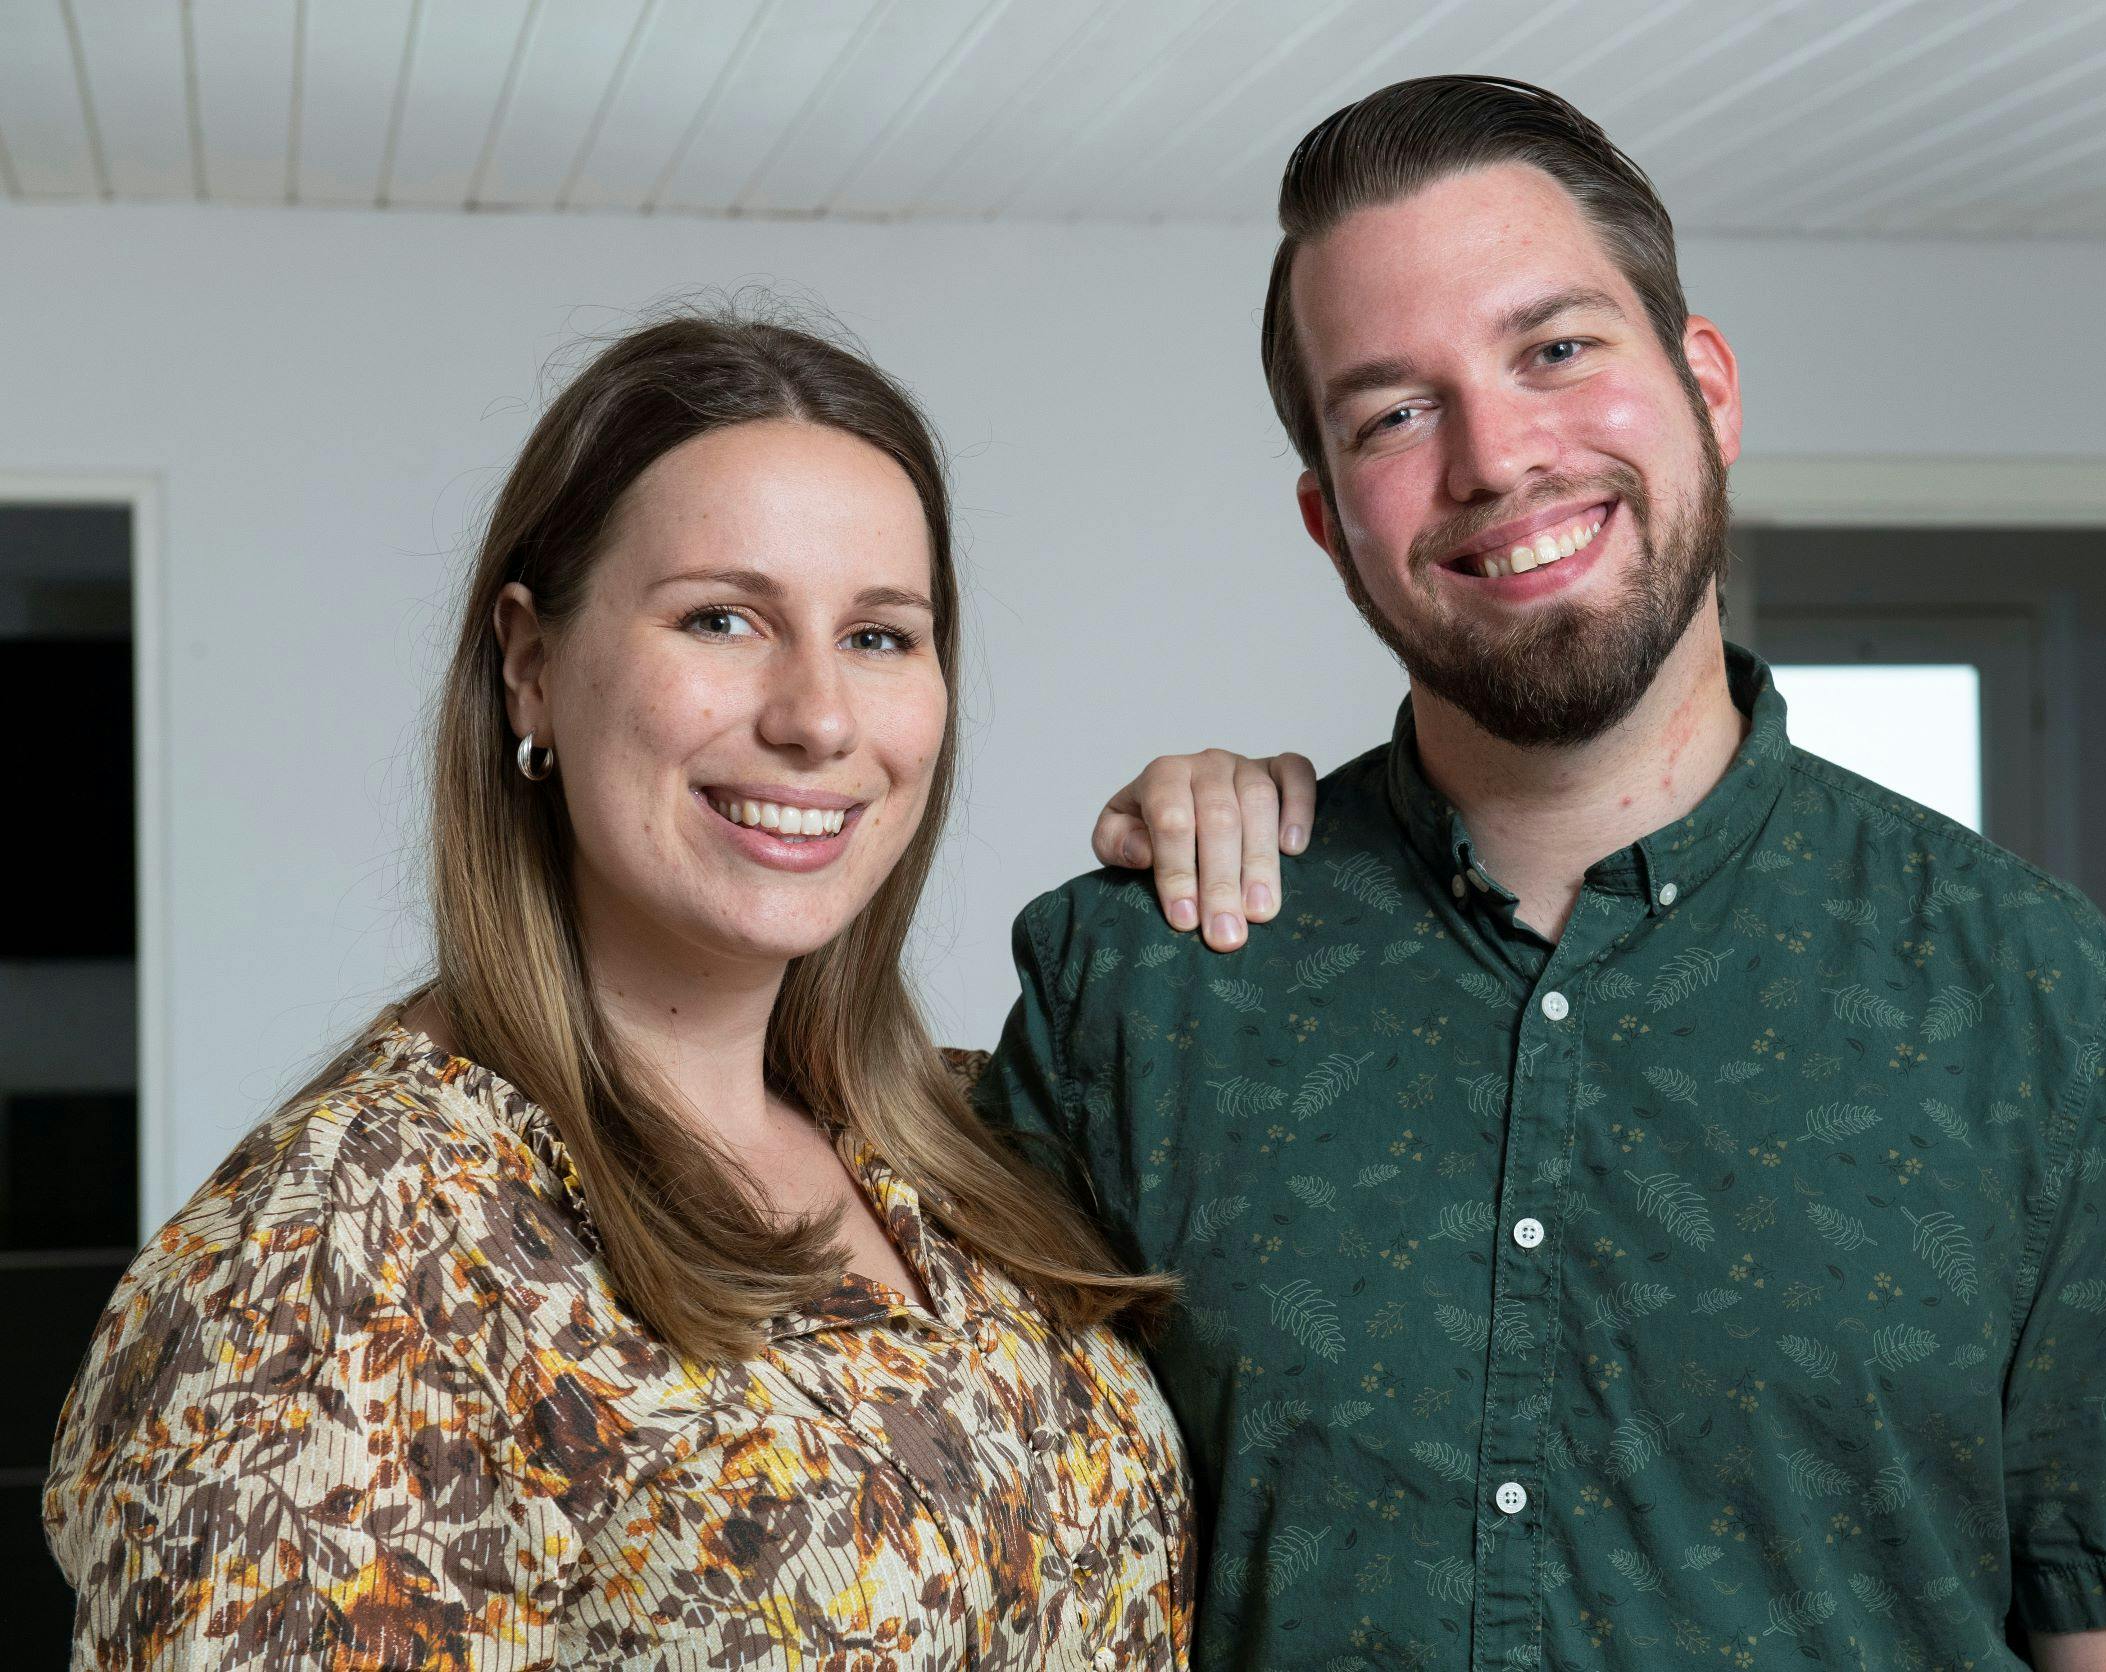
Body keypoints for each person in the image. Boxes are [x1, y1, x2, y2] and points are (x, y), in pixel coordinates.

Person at [979, 77, 2106, 1670]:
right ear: (1331, 523)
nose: (1494, 457)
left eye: (1554, 350)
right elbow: (977, 1552)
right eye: (1394, 412)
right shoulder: (1141, 983)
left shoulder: (2042, 1004)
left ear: (1706, 388)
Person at [43, 312, 1301, 1668]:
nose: (817, 717)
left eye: (881, 636)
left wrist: (1282, 845)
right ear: (529, 665)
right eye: (723, 619)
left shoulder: (957, 1144)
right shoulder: (353, 1248)